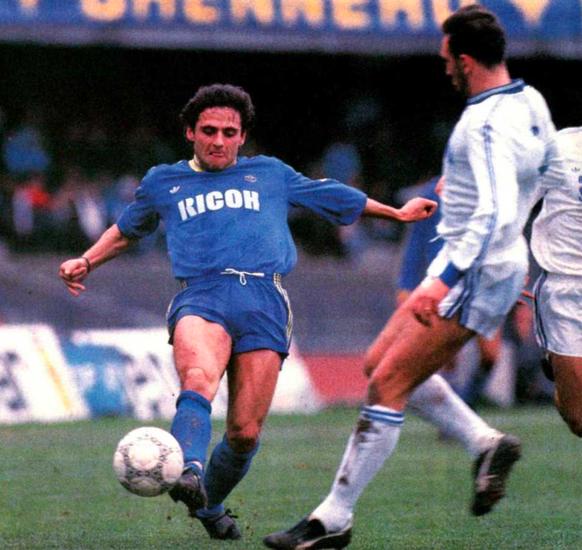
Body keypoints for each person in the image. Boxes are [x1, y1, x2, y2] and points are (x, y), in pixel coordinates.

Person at [58, 84, 437, 542]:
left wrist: (396, 214)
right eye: (209, 131)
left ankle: (208, 504)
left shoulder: (270, 173)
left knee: (244, 434)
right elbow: (126, 230)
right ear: (190, 133)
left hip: (265, 300)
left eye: (229, 132)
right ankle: (189, 468)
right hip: (202, 294)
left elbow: (332, 196)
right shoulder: (164, 182)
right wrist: (87, 260)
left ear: (242, 136)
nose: (218, 140)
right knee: (198, 377)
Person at [264, 6, 557, 548]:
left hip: (472, 268)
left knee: (388, 383)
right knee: (378, 363)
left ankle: (333, 518)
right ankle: (484, 443)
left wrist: (444, 279)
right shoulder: (529, 100)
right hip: (490, 262)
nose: (444, 67)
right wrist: (494, 219)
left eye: (446, 59)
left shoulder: (481, 124)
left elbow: (491, 214)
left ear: (465, 61)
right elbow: (542, 171)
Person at [397, 176, 503, 409]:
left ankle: (466, 400)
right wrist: (406, 284)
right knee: (446, 355)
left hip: (483, 281)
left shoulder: (492, 187)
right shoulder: (432, 193)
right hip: (445, 280)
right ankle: (454, 408)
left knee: (490, 354)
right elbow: (417, 241)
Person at [530, 126, 582, 435]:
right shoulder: (561, 148)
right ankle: (562, 376)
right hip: (567, 287)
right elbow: (515, 200)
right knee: (578, 418)